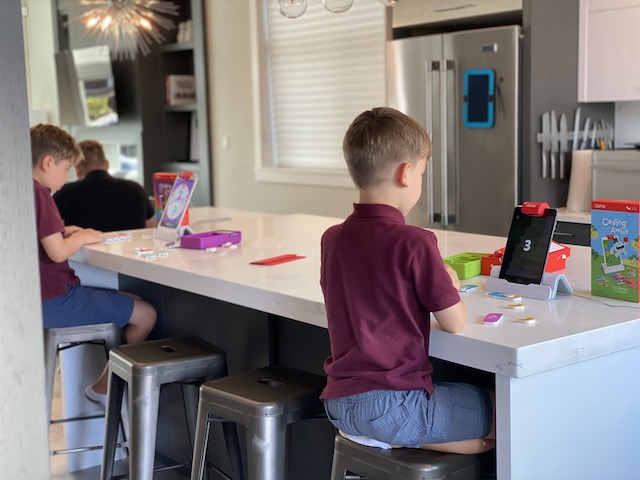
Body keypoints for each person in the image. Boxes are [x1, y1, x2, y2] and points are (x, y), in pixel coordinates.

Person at [319, 107, 496, 454]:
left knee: (470, 435)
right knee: (508, 413)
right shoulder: (415, 242)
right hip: (395, 407)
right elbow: (455, 321)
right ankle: (402, 437)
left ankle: (398, 439)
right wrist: (448, 280)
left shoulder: (331, 238)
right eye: (422, 173)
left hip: (339, 407)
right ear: (406, 173)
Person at [32, 124, 157, 407]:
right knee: (146, 315)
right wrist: (84, 236)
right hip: (58, 300)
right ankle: (103, 389)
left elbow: (45, 239)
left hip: (44, 299)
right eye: (65, 168)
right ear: (48, 162)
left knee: (134, 301)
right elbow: (56, 253)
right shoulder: (41, 195)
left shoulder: (26, 192)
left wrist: (64, 231)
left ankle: (105, 384)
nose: (65, 177)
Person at [54, 139, 155, 232]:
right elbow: (153, 229)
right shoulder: (136, 190)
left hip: (85, 252)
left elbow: (50, 231)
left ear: (77, 169)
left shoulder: (65, 194)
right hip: (133, 251)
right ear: (107, 164)